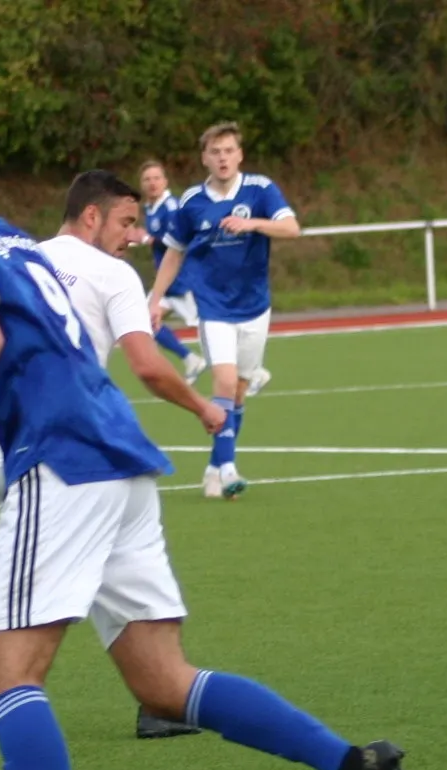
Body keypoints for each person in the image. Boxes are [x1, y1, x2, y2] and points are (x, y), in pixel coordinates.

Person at [0, 115, 405, 770]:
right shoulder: (15, 240)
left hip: (62, 465)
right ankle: (354, 766)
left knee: (5, 677)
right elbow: (29, 360)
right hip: (117, 455)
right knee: (163, 685)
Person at [0, 169, 217, 742]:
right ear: (91, 215)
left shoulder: (19, 259)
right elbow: (145, 363)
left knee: (20, 552)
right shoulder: (112, 274)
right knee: (107, 552)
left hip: (0, 434)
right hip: (67, 443)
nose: (135, 236)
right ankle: (159, 698)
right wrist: (202, 407)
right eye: (126, 222)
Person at [147, 122, 297, 500]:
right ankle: (229, 469)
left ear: (239, 155)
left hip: (255, 306)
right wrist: (154, 298)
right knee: (225, 383)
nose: (223, 157)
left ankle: (215, 465)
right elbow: (174, 252)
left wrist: (253, 224)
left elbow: (292, 229)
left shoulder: (260, 190)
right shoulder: (191, 202)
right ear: (204, 158)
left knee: (241, 391)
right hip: (212, 307)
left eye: (229, 150)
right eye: (215, 152)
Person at [137, 160, 206, 382]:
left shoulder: (171, 207)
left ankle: (251, 369)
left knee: (213, 329)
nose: (152, 183)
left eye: (157, 178)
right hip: (166, 283)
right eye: (147, 179)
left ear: (165, 181)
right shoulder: (150, 208)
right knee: (144, 321)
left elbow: (177, 244)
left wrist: (147, 239)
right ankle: (190, 359)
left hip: (183, 281)